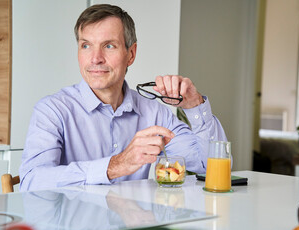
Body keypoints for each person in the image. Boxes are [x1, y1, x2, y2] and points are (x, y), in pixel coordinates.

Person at [19, 4, 229, 191]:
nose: (95, 59)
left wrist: (194, 105)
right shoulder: (52, 110)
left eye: (108, 45)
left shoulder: (154, 113)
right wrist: (115, 166)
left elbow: (208, 166)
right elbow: (31, 181)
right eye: (86, 45)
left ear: (131, 54)